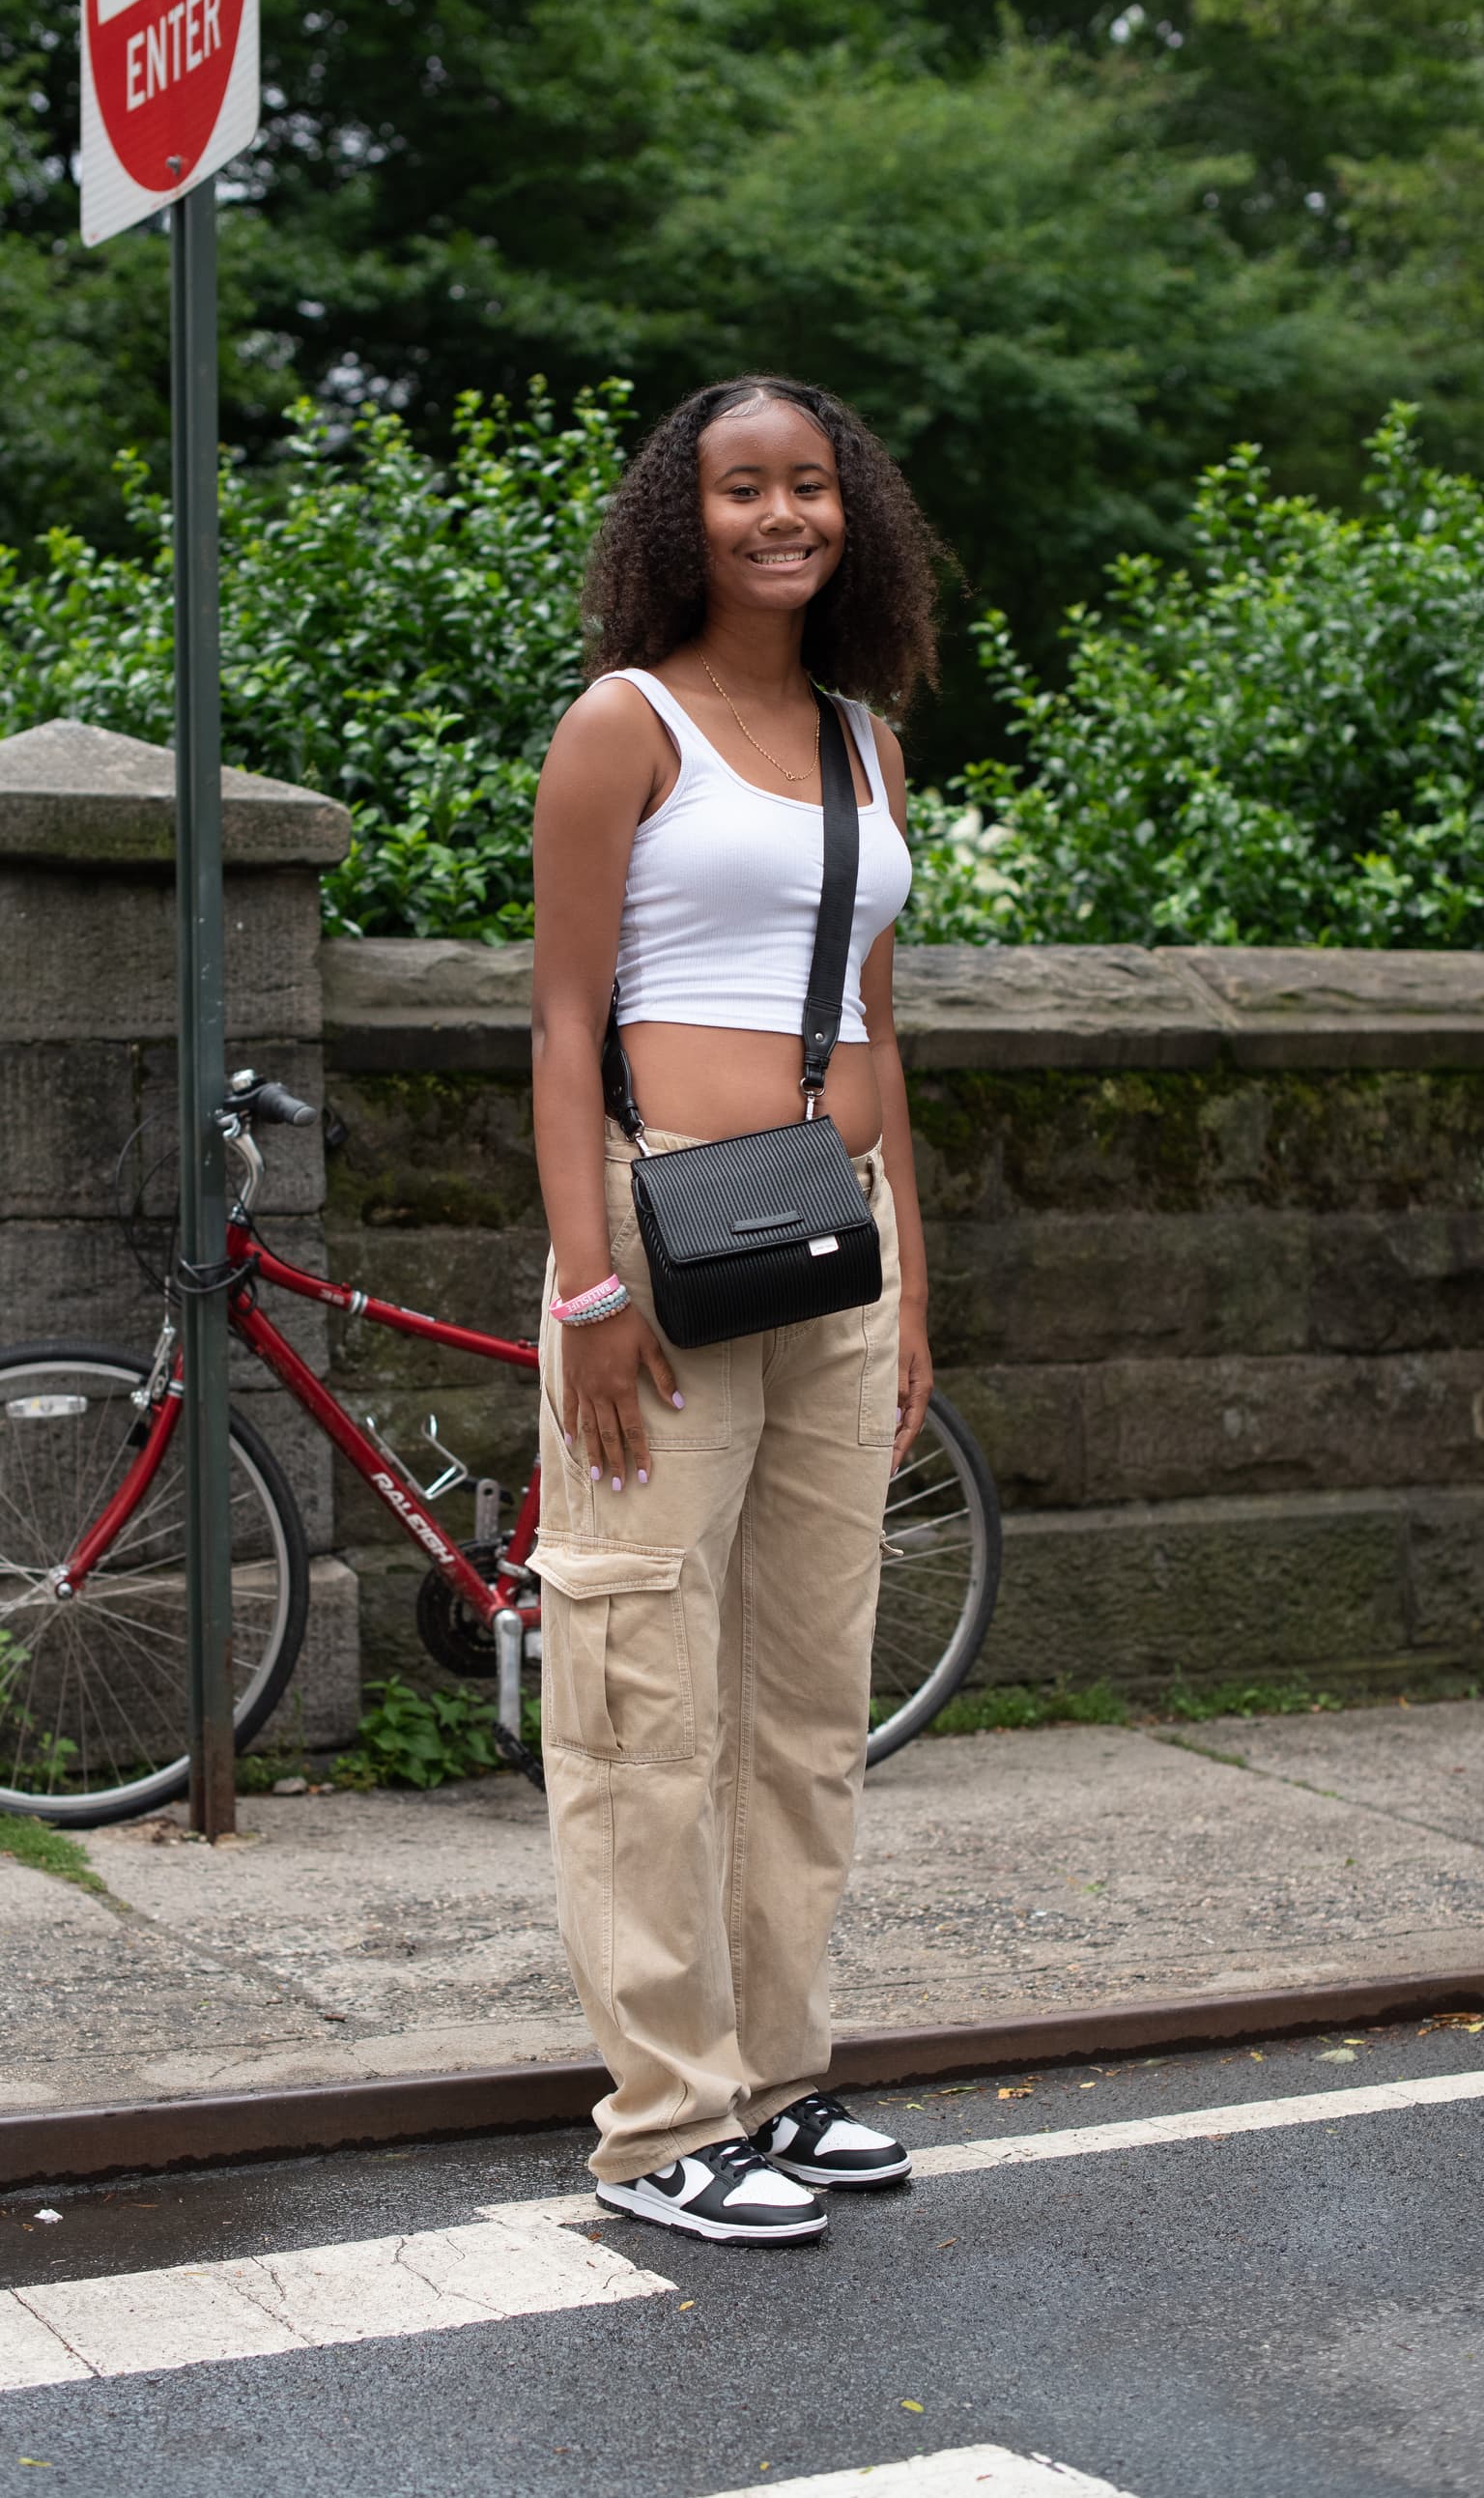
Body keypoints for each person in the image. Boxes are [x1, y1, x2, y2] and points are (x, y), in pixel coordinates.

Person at [528, 374, 941, 2246]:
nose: (784, 516)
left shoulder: (865, 742)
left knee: (804, 1695)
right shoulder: (623, 727)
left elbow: (877, 1025)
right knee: (637, 1687)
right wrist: (592, 1283)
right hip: (660, 1240)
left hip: (834, 1246)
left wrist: (913, 1275)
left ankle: (782, 2071)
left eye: (812, 486)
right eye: (742, 489)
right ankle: (664, 2117)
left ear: (852, 510)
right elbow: (554, 1022)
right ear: (680, 520)